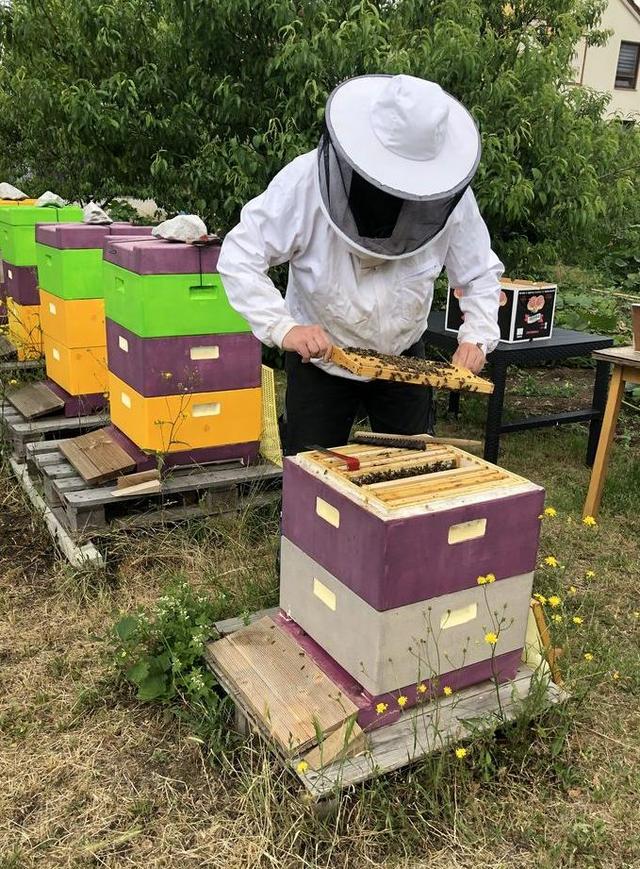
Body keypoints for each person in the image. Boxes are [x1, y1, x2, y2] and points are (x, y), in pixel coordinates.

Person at [218, 74, 503, 455]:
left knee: (409, 473)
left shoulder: (448, 197)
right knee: (314, 478)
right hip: (321, 361)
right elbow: (240, 254)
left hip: (403, 360)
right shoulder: (305, 181)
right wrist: (283, 327)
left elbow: (480, 271)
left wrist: (478, 335)